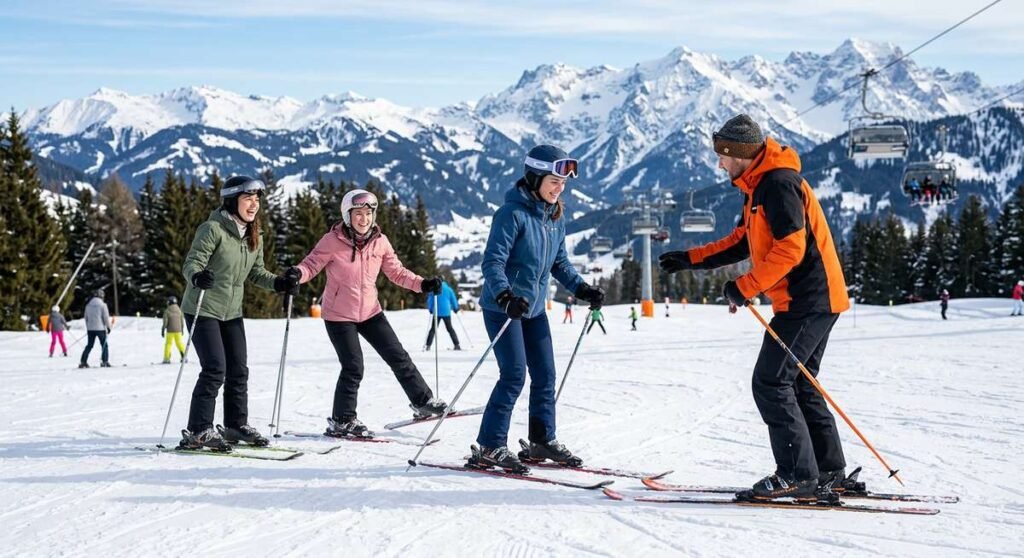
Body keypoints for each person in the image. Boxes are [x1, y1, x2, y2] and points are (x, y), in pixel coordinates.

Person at [659, 114, 850, 501]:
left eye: (723, 156)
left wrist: (745, 287)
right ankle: (829, 470)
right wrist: (691, 259)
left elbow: (790, 249)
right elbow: (742, 241)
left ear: (740, 153)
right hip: (815, 298)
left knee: (771, 382)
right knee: (799, 383)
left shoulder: (777, 185)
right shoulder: (760, 185)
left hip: (806, 300)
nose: (720, 163)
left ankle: (798, 474)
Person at [471, 144, 604, 473]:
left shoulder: (554, 217)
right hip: (504, 308)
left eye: (563, 185)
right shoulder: (511, 215)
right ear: (534, 178)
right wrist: (504, 296)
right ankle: (490, 445)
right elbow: (493, 262)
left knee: (545, 375)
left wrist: (582, 288)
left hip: (532, 309)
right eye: (553, 182)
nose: (559, 190)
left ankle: (542, 439)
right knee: (514, 374)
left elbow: (560, 264)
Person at [289, 188, 449, 439]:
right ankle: (342, 420)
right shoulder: (331, 241)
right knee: (353, 366)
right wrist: (297, 274)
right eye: (358, 213)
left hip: (371, 311)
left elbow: (397, 272)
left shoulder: (380, 242)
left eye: (368, 213)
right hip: (339, 315)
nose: (363, 219)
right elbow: (311, 264)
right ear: (347, 215)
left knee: (398, 356)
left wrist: (423, 284)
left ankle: (422, 400)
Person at [177, 175, 299, 451]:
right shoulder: (212, 229)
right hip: (204, 307)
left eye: (257, 200)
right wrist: (197, 276)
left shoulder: (254, 233)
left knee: (238, 370)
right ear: (232, 201)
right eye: (248, 199)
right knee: (214, 369)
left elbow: (256, 272)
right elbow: (192, 262)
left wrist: (278, 283)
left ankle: (234, 425)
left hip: (232, 311)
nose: (254, 205)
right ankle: (198, 431)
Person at [424, 280, 461, 351]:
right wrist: (455, 308)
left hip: (437, 312)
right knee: (450, 329)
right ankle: (457, 345)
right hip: (446, 312)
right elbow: (453, 299)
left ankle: (428, 346)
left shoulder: (434, 288)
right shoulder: (448, 289)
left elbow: (430, 299)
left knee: (433, 329)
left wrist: (430, 308)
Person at [79, 289, 111, 368]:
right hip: (100, 329)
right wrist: (108, 327)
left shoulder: (88, 305)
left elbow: (86, 317)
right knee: (104, 345)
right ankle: (105, 361)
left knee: (89, 345)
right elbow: (105, 317)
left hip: (90, 329)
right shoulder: (103, 305)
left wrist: (88, 327)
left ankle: (83, 361)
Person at [161, 296, 186, 364]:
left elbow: (165, 322)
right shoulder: (179, 310)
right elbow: (182, 321)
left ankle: (166, 358)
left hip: (170, 331)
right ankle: (184, 357)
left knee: (168, 344)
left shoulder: (167, 311)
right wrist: (182, 329)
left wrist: (163, 329)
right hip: (178, 330)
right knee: (179, 343)